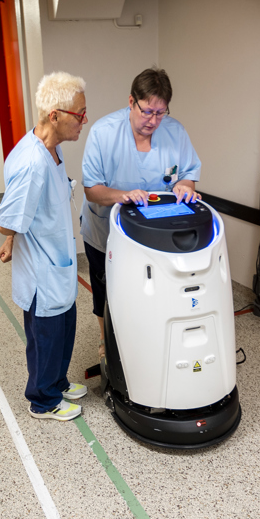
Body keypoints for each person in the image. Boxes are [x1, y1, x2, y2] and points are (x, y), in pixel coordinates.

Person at [80, 67, 202, 356]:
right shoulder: (103, 132)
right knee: (107, 290)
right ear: (131, 101)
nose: (153, 121)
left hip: (157, 236)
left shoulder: (175, 132)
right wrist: (122, 196)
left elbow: (187, 173)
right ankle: (106, 340)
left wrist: (185, 186)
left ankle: (150, 339)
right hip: (105, 232)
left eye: (161, 113)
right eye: (147, 111)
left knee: (152, 289)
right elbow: (91, 189)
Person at [0, 71, 89, 421]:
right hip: (42, 271)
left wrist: (13, 235)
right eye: (79, 114)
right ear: (55, 116)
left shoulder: (52, 147)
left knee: (64, 329)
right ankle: (43, 400)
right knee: (46, 337)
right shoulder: (33, 163)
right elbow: (8, 218)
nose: (84, 120)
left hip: (58, 262)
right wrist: (10, 232)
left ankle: (58, 382)